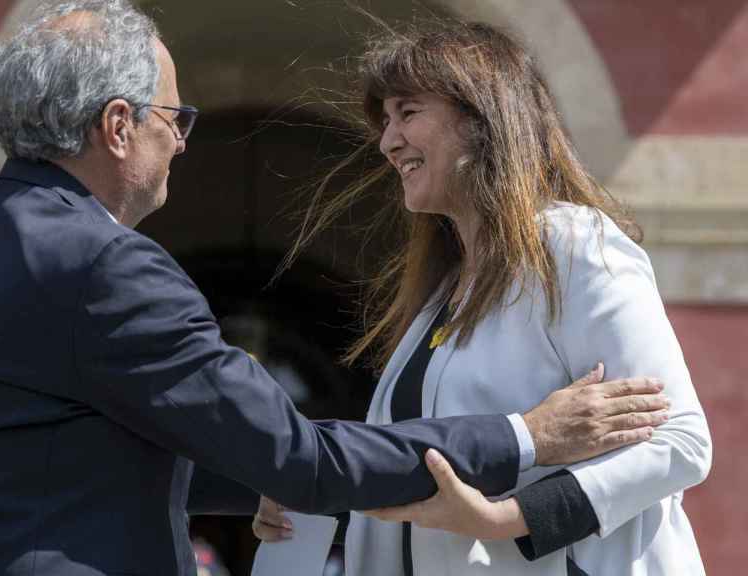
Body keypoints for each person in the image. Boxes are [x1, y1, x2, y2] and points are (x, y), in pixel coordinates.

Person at [0, 3, 672, 575]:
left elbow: (64, 451)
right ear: (119, 127)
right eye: (174, 116)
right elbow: (302, 457)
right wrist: (527, 436)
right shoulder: (101, 267)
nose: (183, 140)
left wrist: (245, 480)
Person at [253, 18, 711, 576]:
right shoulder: (444, 294)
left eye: (408, 112)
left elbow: (681, 441)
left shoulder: (574, 247)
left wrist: (508, 519)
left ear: (481, 118)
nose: (387, 140)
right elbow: (434, 486)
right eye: (386, 119)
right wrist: (317, 497)